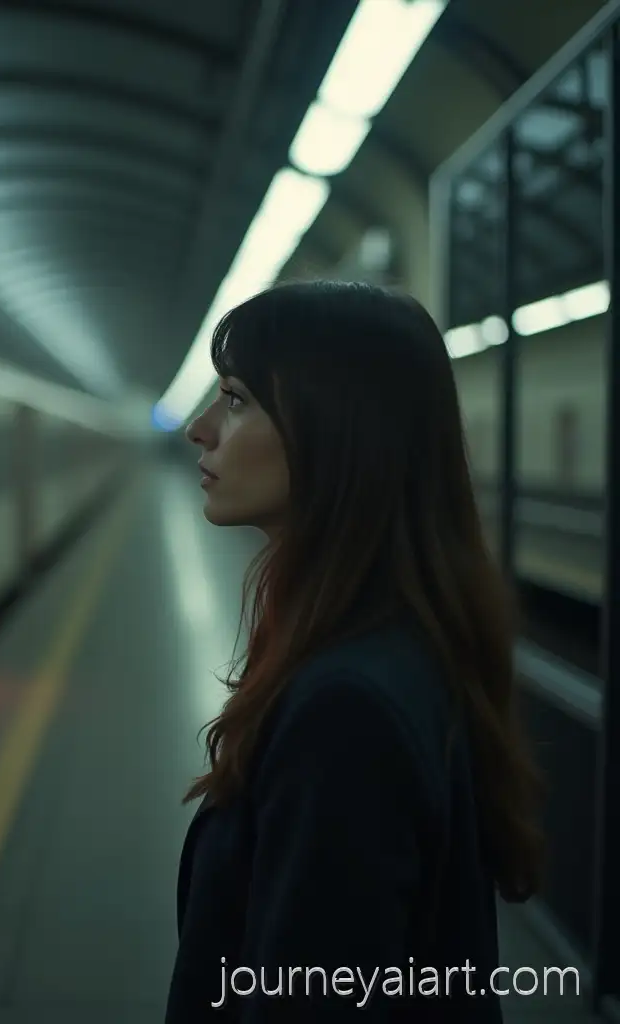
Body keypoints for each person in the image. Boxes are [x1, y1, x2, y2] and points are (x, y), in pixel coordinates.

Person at [166, 280, 542, 1021]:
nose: (200, 429)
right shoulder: (399, 647)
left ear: (331, 430)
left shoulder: (345, 712)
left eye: (237, 400)